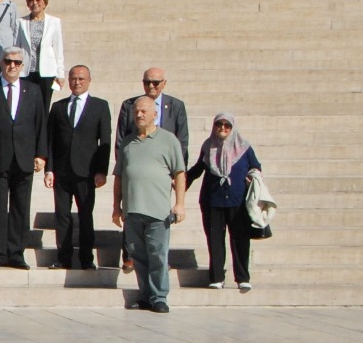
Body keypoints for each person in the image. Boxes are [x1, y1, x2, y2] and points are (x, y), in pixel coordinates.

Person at [0, 49, 48, 270]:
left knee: (21, 208)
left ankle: (16, 253)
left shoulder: (33, 91)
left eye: (17, 62)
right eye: (8, 61)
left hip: (24, 158)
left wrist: (41, 154)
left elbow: (41, 123)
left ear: (22, 66)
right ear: (1, 64)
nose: (12, 66)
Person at [114, 97, 187, 312]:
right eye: (136, 111)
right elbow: (119, 176)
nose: (139, 115)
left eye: (144, 111)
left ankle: (159, 296)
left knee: (157, 255)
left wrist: (180, 204)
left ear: (155, 114)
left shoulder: (168, 140)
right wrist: (116, 207)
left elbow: (180, 173)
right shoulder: (127, 142)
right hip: (133, 209)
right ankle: (145, 294)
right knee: (138, 255)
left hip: (158, 211)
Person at [44, 65, 111, 270]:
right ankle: (63, 257)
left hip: (86, 172)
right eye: (73, 78)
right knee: (62, 216)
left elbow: (105, 141)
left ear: (89, 80)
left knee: (85, 216)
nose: (77, 82)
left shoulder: (100, 106)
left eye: (81, 78)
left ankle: (86, 258)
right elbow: (51, 141)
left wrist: (101, 171)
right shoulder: (58, 106)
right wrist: (49, 169)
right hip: (62, 172)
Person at [186, 114, 261, 292]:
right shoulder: (208, 146)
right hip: (213, 200)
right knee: (215, 240)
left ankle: (242, 277)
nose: (222, 128)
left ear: (232, 127)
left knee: (240, 240)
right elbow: (199, 168)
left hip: (238, 200)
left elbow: (255, 166)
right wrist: (182, 181)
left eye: (227, 125)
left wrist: (252, 177)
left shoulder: (244, 147)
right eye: (219, 124)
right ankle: (217, 277)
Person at [14, 0, 64, 110]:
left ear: (45, 3)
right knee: (26, 105)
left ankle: (43, 129)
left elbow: (58, 48)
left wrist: (60, 73)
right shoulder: (20, 22)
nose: (35, 2)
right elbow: (17, 47)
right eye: (31, 0)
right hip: (27, 71)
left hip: (46, 72)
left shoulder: (54, 22)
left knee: (43, 106)